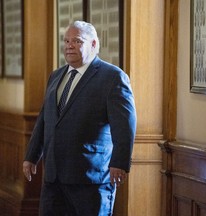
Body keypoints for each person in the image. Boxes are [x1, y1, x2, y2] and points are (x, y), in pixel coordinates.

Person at [22, 20, 137, 215]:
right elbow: (45, 119)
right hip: (54, 177)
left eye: (76, 41)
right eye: (66, 41)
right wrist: (31, 156)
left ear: (93, 44)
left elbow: (125, 125)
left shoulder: (113, 77)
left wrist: (120, 162)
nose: (69, 46)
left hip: (90, 177)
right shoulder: (56, 76)